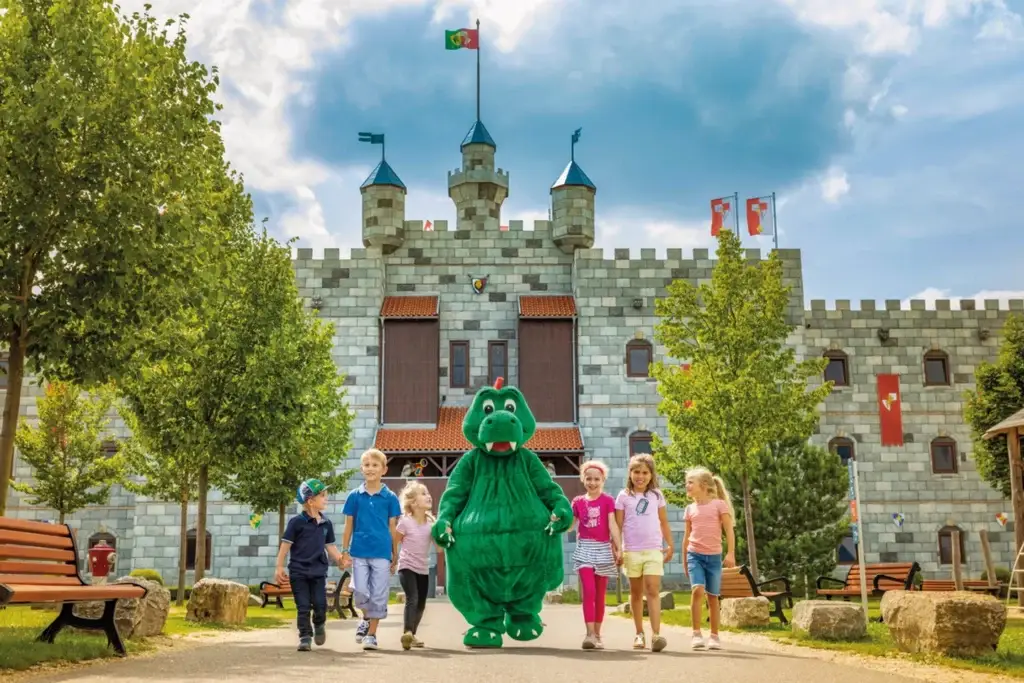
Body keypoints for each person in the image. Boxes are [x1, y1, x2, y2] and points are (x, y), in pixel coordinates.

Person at [341, 448, 402, 651]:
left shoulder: (390, 498)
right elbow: (348, 524)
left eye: (375, 465)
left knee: (378, 594)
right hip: (359, 551)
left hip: (382, 552)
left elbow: (393, 527)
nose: (370, 468)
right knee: (360, 593)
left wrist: (395, 553)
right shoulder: (354, 496)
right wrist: (344, 550)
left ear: (384, 469)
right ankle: (365, 619)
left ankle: (372, 635)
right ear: (361, 469)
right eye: (366, 465)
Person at [274, 478, 344, 652]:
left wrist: (341, 559)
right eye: (322, 495)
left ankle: (319, 623)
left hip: (318, 571)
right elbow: (285, 545)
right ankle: (305, 637)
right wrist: (279, 567)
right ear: (310, 501)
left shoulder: (326, 523)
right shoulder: (296, 522)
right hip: (299, 572)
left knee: (320, 604)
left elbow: (330, 546)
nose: (326, 498)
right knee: (303, 606)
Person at [615, 453, 674, 652]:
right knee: (636, 592)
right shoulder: (623, 496)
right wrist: (617, 548)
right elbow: (619, 524)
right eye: (636, 472)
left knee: (653, 590)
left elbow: (664, 521)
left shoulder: (656, 495)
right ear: (630, 473)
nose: (640, 476)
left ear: (651, 475)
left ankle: (656, 635)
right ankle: (639, 633)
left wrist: (671, 544)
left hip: (653, 550)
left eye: (645, 473)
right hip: (631, 551)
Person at [683, 466, 736, 650]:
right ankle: (696, 633)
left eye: (690, 482)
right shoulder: (690, 509)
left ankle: (714, 636)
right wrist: (684, 559)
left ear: (704, 485)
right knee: (697, 590)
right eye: (686, 483)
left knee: (713, 597)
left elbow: (729, 530)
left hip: (713, 557)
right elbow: (686, 536)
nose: (687, 486)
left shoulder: (719, 505)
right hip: (694, 555)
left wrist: (730, 553)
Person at [570, 460, 621, 650]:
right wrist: (556, 521)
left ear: (603, 480)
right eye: (588, 478)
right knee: (589, 591)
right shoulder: (578, 502)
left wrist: (618, 547)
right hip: (585, 548)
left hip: (603, 549)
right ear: (583, 479)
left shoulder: (607, 501)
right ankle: (589, 634)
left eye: (596, 479)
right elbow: (570, 524)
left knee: (600, 594)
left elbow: (612, 525)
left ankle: (598, 634)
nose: (592, 482)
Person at [395, 481, 439, 650]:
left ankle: (412, 634)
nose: (429, 496)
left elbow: (440, 549)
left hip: (423, 568)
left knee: (421, 603)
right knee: (412, 598)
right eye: (423, 493)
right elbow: (395, 542)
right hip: (406, 566)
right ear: (413, 503)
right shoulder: (405, 522)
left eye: (428, 493)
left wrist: (444, 533)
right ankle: (407, 632)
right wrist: (392, 561)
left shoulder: (431, 524)